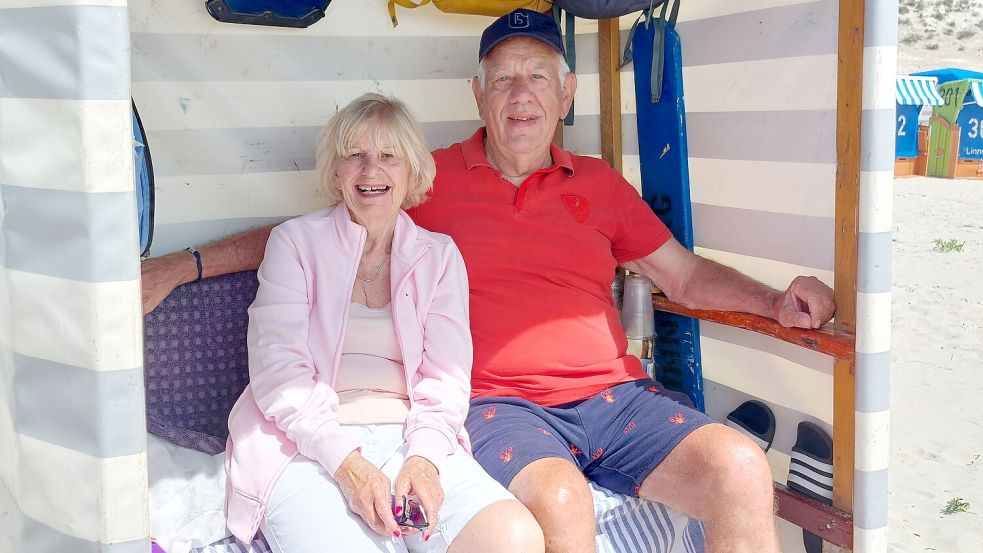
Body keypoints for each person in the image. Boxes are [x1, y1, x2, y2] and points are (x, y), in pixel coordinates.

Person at [142, 10, 835, 553]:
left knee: (741, 464)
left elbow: (682, 275)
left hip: (617, 397)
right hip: (500, 405)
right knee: (560, 504)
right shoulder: (428, 177)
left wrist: (772, 301)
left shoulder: (599, 183)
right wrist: (181, 265)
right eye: (501, 77)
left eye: (537, 75)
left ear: (567, 92)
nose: (519, 94)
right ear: (477, 95)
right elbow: (323, 232)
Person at [222, 93, 545, 553]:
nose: (371, 171)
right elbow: (280, 376)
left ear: (412, 170)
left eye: (389, 156)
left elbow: (447, 377)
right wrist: (348, 465)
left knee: (512, 537)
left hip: (412, 436)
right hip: (306, 444)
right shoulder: (294, 243)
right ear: (336, 171)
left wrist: (425, 461)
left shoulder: (439, 256)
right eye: (355, 155)